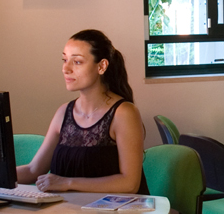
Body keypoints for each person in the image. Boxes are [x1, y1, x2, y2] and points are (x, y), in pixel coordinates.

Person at [17, 29, 146, 194]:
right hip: (69, 210)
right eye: (64, 60)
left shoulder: (124, 113)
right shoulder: (63, 112)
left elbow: (129, 183)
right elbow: (33, 170)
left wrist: (67, 182)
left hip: (114, 209)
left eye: (77, 62)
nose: (66, 68)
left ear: (101, 66)